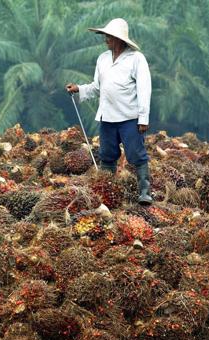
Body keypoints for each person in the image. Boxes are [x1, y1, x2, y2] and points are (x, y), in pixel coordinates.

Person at [66, 18, 153, 205]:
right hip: (107, 117)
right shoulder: (103, 59)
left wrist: (143, 118)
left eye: (110, 36)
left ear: (120, 39)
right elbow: (97, 87)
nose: (106, 39)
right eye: (105, 35)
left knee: (136, 154)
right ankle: (107, 191)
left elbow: (144, 90)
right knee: (107, 155)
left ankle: (145, 192)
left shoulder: (136, 59)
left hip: (129, 117)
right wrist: (79, 89)